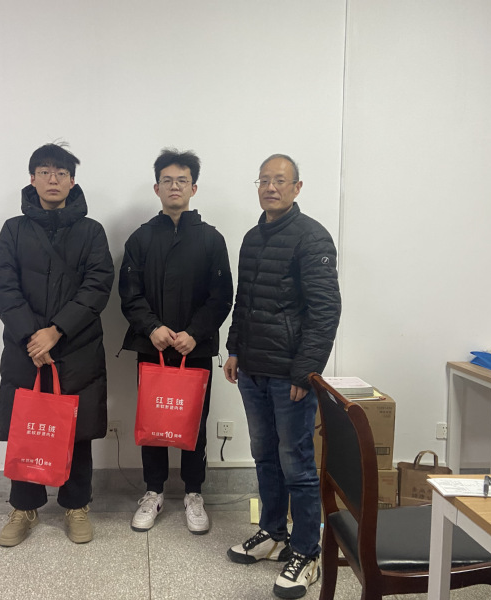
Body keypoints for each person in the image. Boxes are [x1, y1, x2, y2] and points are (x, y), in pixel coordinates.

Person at [223, 154, 341, 599]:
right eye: (264, 180)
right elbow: (244, 301)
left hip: (289, 375)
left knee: (297, 463)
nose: (270, 187)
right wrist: (234, 349)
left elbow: (325, 312)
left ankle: (307, 551)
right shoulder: (252, 238)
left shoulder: (312, 238)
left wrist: (305, 371)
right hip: (252, 370)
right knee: (264, 455)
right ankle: (273, 533)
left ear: (297, 187)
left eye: (280, 180)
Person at [0, 143, 114, 547]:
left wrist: (57, 330)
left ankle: (76, 506)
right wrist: (33, 335)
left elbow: (98, 286)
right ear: (32, 179)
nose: (53, 180)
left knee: (76, 429)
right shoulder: (13, 229)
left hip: (77, 346)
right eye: (45, 172)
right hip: (26, 349)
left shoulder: (92, 231)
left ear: (72, 181)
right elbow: (4, 286)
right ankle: (23, 507)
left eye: (61, 173)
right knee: (27, 425)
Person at [119, 148, 233, 535]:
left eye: (182, 180)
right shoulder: (140, 238)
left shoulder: (211, 239)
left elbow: (222, 296)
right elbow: (129, 293)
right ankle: (153, 491)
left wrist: (195, 333)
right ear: (156, 188)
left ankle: (193, 493)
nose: (174, 186)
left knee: (193, 422)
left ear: (193, 188)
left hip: (194, 349)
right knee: (153, 421)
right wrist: (152, 327)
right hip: (152, 347)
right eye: (167, 180)